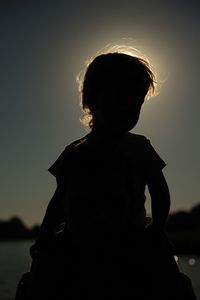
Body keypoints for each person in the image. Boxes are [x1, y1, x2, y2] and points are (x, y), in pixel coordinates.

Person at [19, 50, 197, 300]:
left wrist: (157, 229)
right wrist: (45, 236)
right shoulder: (74, 153)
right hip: (79, 238)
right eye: (120, 100)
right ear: (93, 100)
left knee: (166, 274)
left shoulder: (140, 147)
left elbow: (159, 189)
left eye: (136, 104)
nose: (129, 111)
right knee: (42, 274)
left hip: (130, 235)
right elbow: (59, 200)